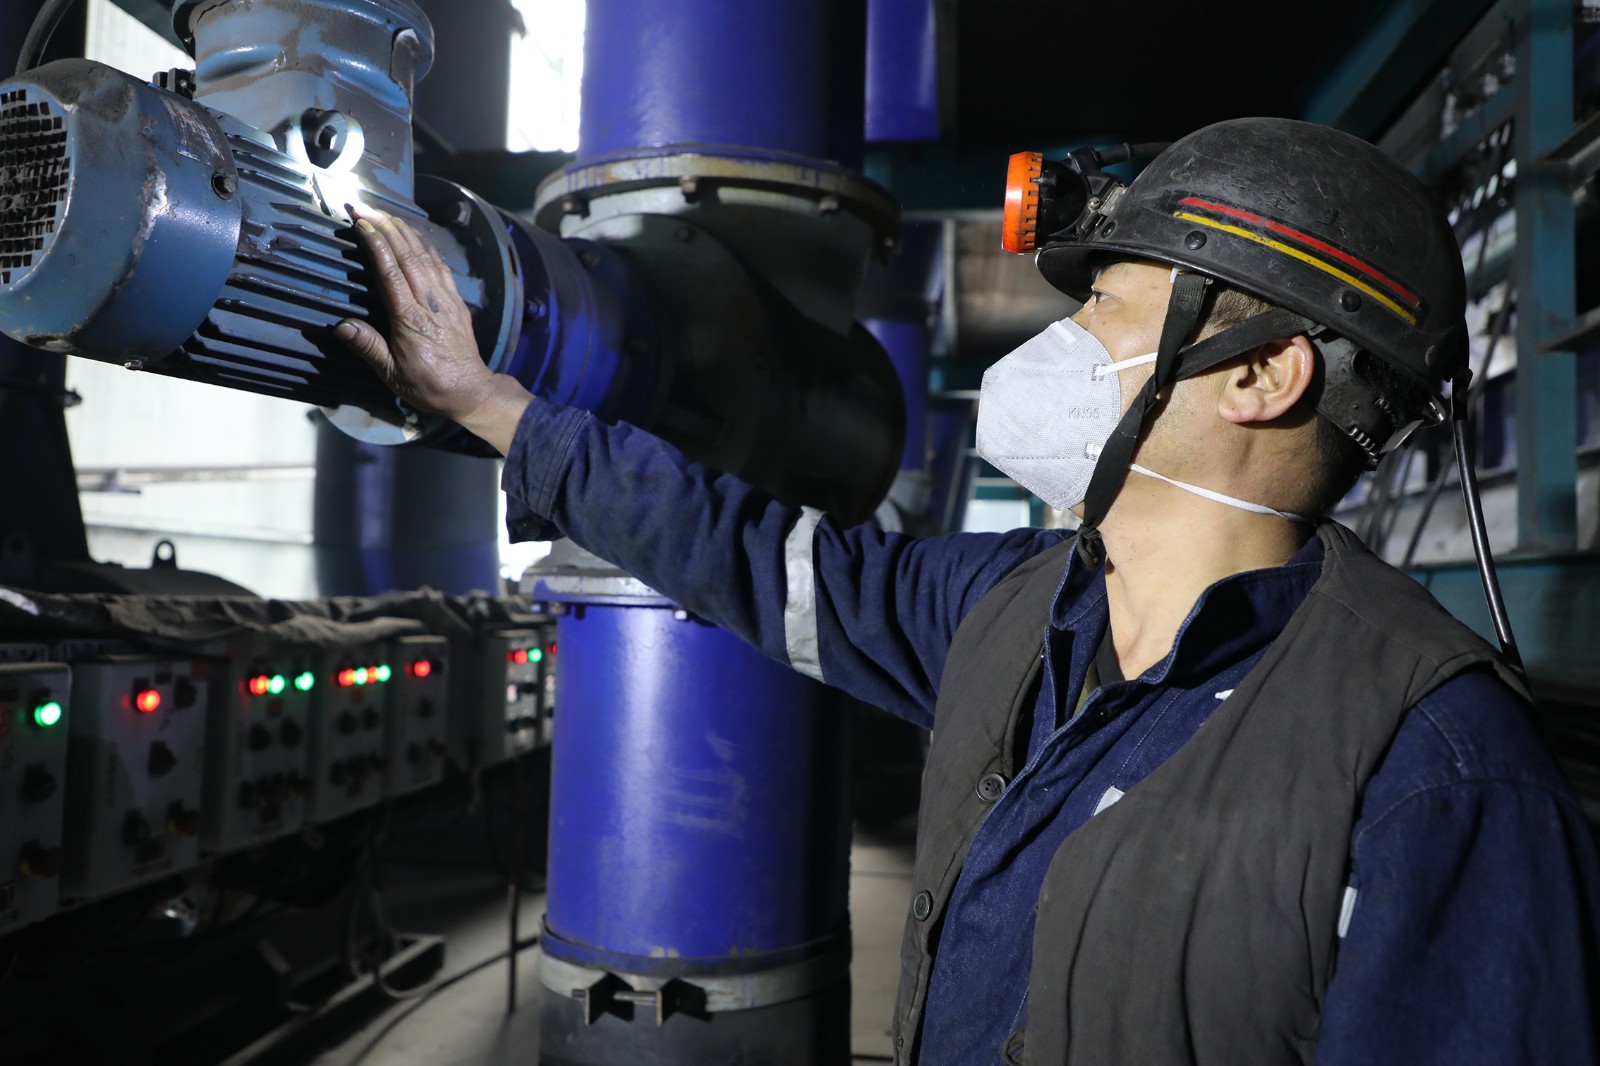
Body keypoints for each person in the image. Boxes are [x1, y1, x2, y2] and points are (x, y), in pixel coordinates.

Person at [335, 117, 1600, 1065]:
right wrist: (491, 404)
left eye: (1104, 303)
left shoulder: (1437, 777)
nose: (1061, 344)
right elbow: (747, 552)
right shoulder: (1007, 606)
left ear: (1260, 374)